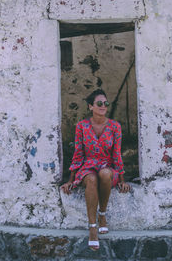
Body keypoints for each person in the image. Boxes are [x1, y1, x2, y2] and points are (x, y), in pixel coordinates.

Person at [61, 89, 131, 251]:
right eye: (99, 103)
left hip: (107, 166)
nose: (103, 106)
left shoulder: (115, 126)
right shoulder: (82, 126)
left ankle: (102, 215)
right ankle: (93, 228)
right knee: (92, 179)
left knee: (105, 174)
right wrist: (71, 180)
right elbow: (78, 153)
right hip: (88, 167)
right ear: (90, 106)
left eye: (105, 103)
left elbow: (117, 154)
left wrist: (121, 180)